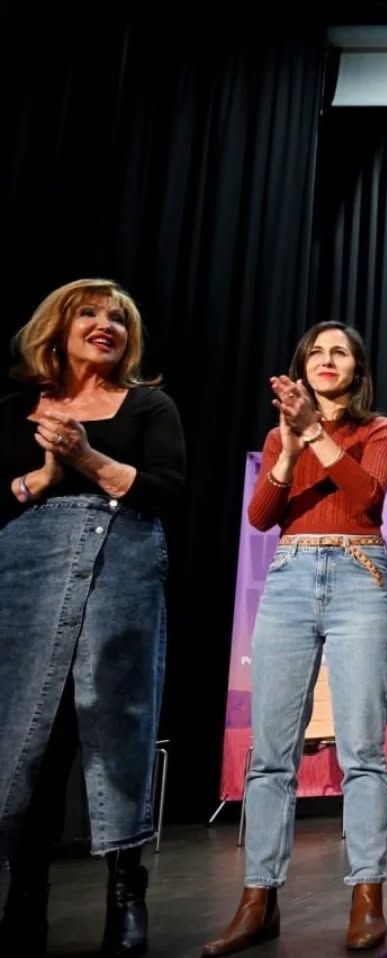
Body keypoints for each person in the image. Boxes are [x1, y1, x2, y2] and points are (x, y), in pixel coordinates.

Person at [0, 278, 185, 957]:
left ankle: (125, 893)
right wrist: (45, 478)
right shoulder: (17, 409)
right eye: (89, 313)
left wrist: (86, 457)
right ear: (58, 326)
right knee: (31, 733)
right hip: (26, 572)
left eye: (118, 318)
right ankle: (25, 896)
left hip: (122, 565)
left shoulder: (149, 405)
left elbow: (167, 488)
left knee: (117, 725)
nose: (106, 324)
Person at [203, 322, 387, 954]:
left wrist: (315, 433)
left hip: (359, 574)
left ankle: (366, 894)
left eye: (339, 352)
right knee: (270, 755)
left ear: (357, 368)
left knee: (362, 749)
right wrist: (288, 449)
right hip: (290, 577)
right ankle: (258, 900)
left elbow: (366, 499)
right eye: (315, 352)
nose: (326, 359)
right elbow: (262, 517)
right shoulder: (279, 435)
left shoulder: (378, 430)